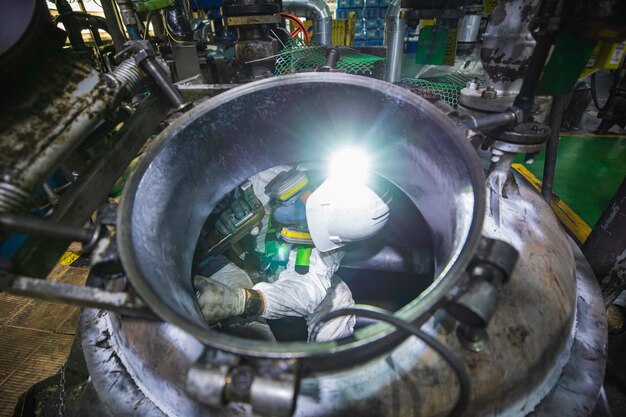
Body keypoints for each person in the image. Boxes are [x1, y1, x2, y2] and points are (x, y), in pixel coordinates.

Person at [194, 163, 390, 342]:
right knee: (249, 327)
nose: (303, 223)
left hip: (270, 270)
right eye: (308, 210)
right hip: (216, 258)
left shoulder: (331, 243)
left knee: (338, 299)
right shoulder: (264, 173)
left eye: (313, 226)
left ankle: (322, 370)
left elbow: (306, 290)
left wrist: (243, 301)